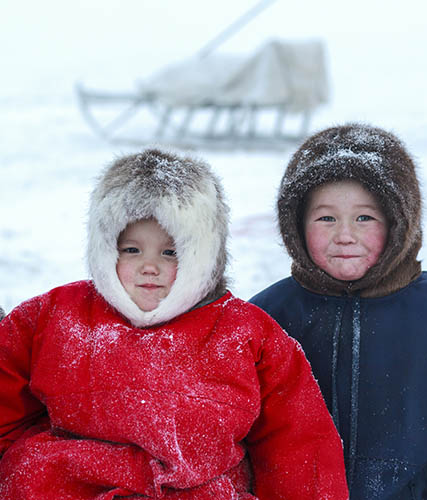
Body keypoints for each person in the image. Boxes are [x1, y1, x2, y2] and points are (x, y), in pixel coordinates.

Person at [0, 149, 348, 500]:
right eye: (132, 250)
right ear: (106, 249)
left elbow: (299, 446)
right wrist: (24, 468)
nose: (149, 267)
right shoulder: (55, 316)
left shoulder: (244, 332)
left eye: (170, 253)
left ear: (202, 255)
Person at [250, 123, 427, 500]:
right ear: (295, 225)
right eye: (326, 218)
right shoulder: (265, 319)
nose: (345, 235)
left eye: (364, 218)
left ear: (399, 222)